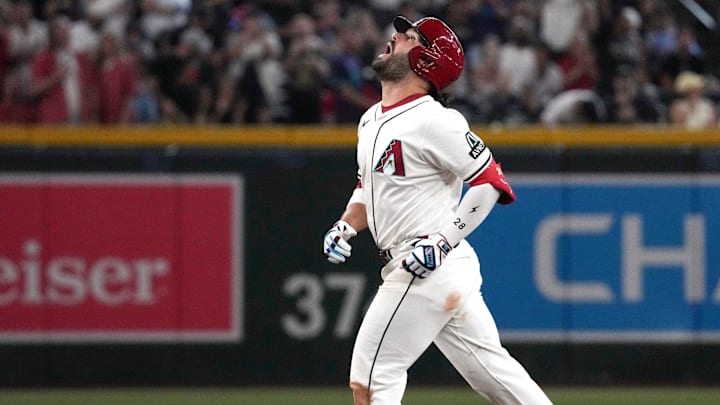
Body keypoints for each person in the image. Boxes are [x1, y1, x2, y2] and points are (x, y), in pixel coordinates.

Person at [322, 15, 553, 405]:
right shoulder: (370, 118)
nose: (394, 37)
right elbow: (369, 187)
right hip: (438, 266)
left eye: (408, 37)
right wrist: (345, 225)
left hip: (426, 262)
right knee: (497, 376)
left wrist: (442, 243)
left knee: (373, 376)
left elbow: (490, 183)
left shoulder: (434, 120)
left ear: (427, 61)